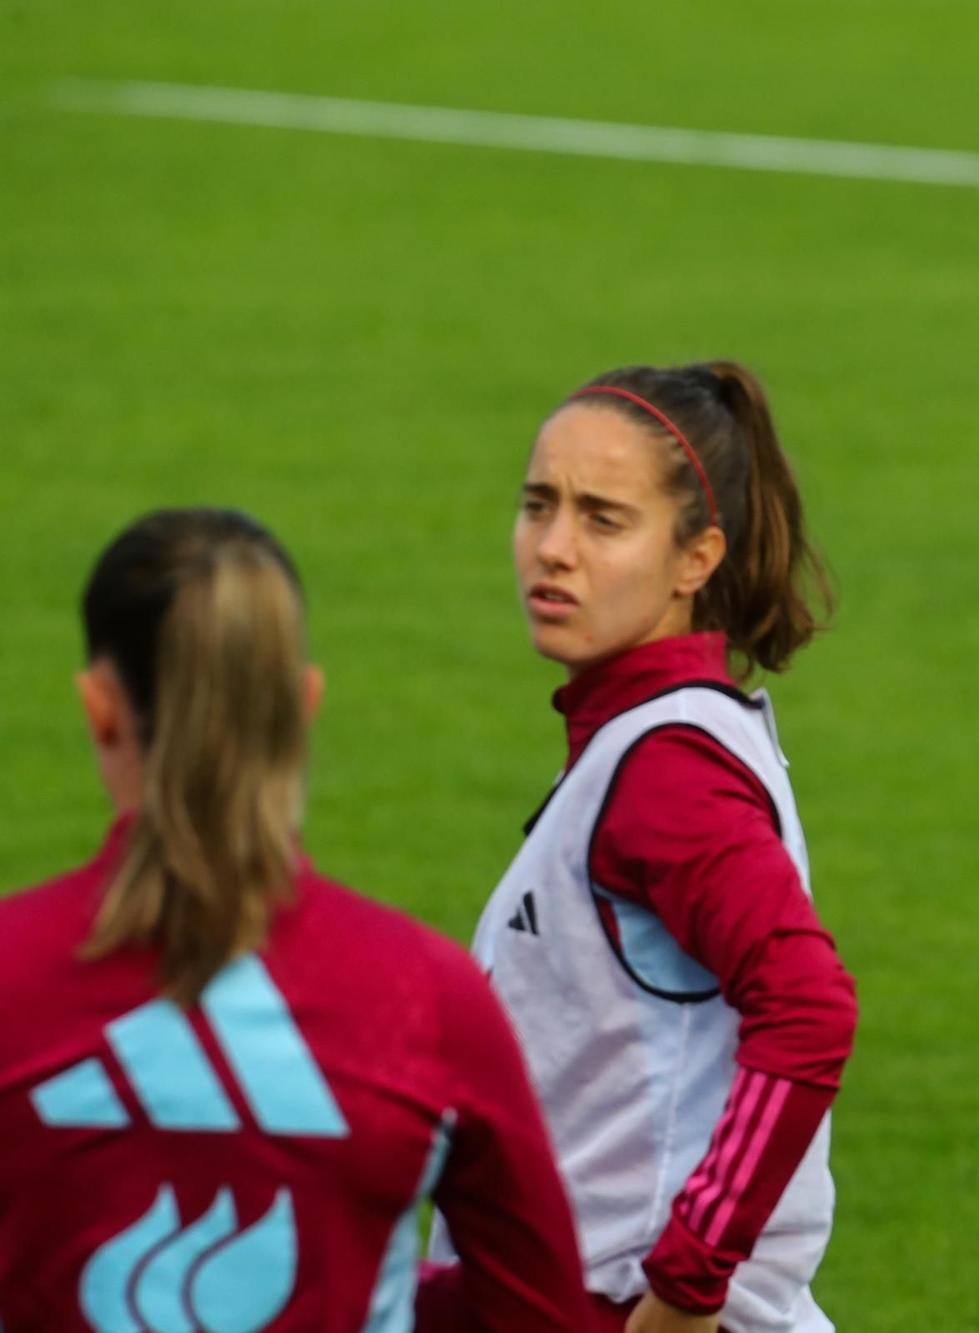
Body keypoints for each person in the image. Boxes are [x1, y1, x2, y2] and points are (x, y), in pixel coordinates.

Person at [0, 507, 590, 1330]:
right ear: (302, 705)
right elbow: (543, 1311)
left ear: (99, 706)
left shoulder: (12, 977)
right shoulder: (426, 1000)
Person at [426, 361, 858, 1333]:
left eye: (601, 519)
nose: (552, 548)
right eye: (538, 505)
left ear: (694, 558)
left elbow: (807, 1003)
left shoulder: (667, 769)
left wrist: (686, 1284)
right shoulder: (656, 738)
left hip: (612, 1303)